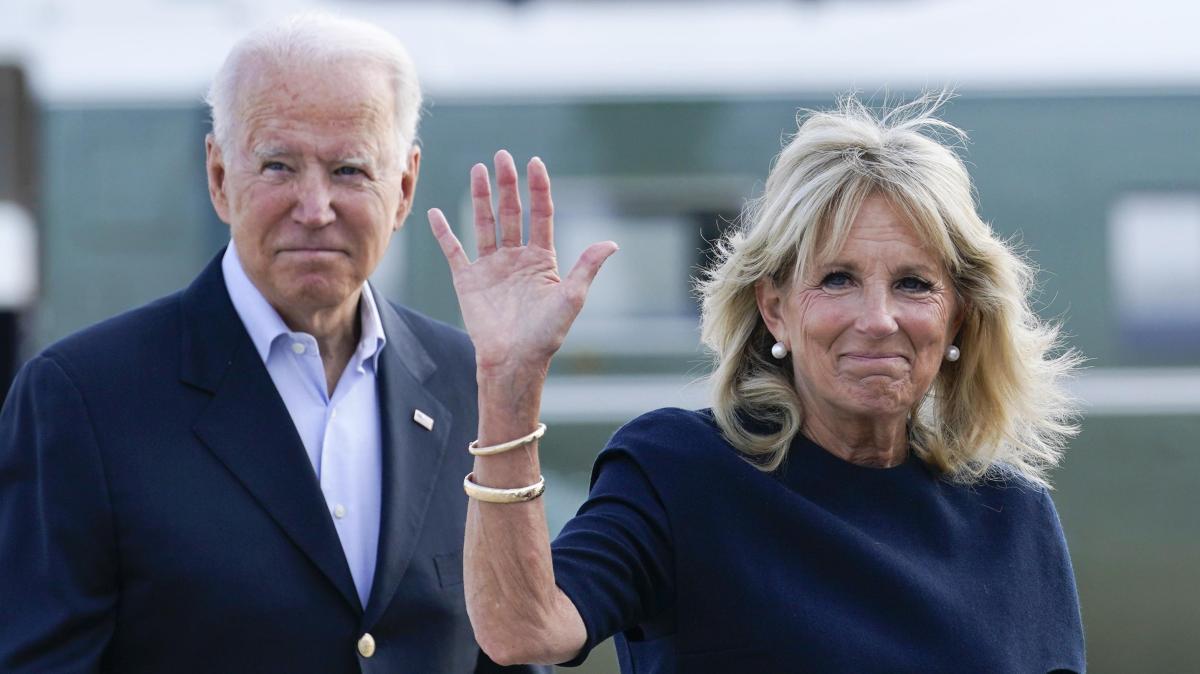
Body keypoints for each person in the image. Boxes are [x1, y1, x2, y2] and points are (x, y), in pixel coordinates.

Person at [426, 94, 1086, 673]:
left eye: (913, 284)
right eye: (837, 280)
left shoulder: (1014, 516)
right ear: (775, 308)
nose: (878, 319)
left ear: (957, 316)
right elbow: (523, 630)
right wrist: (509, 381)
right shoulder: (680, 472)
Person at [0, 14, 542, 673]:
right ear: (219, 176)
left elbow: (511, 650)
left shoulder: (469, 381)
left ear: (403, 189)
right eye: (278, 166)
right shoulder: (83, 398)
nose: (314, 208)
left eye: (349, 170)